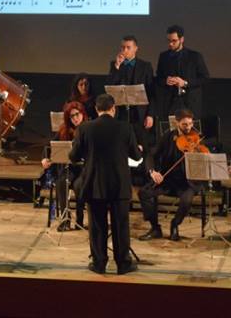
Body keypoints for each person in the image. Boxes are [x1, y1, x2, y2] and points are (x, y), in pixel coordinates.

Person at [69, 93, 141, 275]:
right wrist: (138, 149)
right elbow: (136, 156)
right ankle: (123, 264)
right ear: (113, 109)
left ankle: (99, 263)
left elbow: (74, 157)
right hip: (119, 183)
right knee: (120, 226)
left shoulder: (85, 128)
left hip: (94, 183)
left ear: (96, 109)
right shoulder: (125, 127)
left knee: (97, 226)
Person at [138, 108, 201, 241]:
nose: (189, 127)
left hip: (186, 182)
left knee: (187, 201)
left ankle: (175, 224)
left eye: (190, 124)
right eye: (185, 124)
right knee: (144, 193)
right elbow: (151, 154)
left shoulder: (196, 138)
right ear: (177, 123)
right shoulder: (168, 137)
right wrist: (152, 171)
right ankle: (155, 228)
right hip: (168, 179)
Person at [41, 100, 90, 231]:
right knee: (62, 182)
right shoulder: (64, 130)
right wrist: (45, 159)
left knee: (80, 186)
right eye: (71, 116)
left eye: (77, 114)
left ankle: (79, 220)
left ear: (82, 114)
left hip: (84, 170)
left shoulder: (89, 129)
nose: (75, 118)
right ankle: (65, 220)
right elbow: (49, 146)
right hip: (69, 169)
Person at [107, 35, 155, 149]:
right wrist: (117, 67)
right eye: (122, 47)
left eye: (128, 47)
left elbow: (152, 92)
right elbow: (110, 87)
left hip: (140, 114)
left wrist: (150, 115)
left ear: (136, 48)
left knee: (141, 146)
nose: (124, 50)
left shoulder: (145, 66)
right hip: (121, 113)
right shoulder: (115, 65)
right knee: (120, 145)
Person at [154, 25, 209, 119]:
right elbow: (158, 78)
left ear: (182, 39)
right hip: (170, 103)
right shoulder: (164, 56)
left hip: (190, 103)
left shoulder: (194, 56)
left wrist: (185, 83)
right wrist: (165, 80)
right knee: (172, 131)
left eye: (174, 41)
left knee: (190, 132)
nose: (170, 44)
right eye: (169, 41)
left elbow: (205, 78)